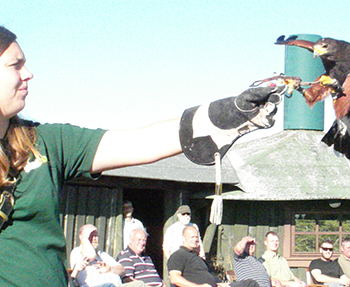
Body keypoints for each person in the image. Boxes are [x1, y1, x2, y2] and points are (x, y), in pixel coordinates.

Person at [0, 26, 285, 286]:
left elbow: (137, 143)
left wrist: (227, 114)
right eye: (16, 65)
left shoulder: (46, 142)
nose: (28, 73)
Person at [168, 225, 259, 287]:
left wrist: (220, 283)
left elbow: (208, 275)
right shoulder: (178, 255)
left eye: (197, 237)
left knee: (250, 284)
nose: (195, 239)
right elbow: (175, 279)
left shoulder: (197, 258)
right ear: (184, 238)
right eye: (192, 237)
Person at [69, 224, 145, 287]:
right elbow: (90, 256)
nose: (94, 238)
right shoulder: (77, 251)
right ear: (82, 237)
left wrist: (110, 269)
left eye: (96, 236)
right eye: (91, 236)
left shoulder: (102, 254)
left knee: (140, 284)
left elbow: (122, 270)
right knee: (109, 285)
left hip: (117, 286)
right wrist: (84, 238)